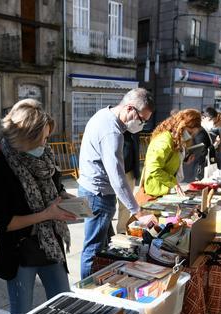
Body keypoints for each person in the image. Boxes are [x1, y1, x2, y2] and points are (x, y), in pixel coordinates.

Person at [0, 99, 77, 314]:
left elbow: (57, 187)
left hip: (51, 243)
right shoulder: (1, 165)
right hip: (20, 249)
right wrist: (46, 214)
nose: (45, 145)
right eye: (41, 139)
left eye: (47, 138)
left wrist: (66, 199)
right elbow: (3, 223)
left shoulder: (46, 157)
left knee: (65, 306)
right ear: (25, 137)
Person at [77, 88, 154, 278]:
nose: (141, 125)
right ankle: (87, 290)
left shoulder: (103, 114)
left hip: (91, 189)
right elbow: (117, 178)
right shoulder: (113, 132)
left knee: (104, 244)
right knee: (93, 249)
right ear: (129, 108)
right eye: (141, 119)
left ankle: (101, 281)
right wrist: (138, 212)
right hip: (99, 194)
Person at [141, 109, 203, 198]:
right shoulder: (165, 140)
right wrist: (173, 183)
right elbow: (154, 168)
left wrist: (184, 161)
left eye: (192, 134)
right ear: (181, 126)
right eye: (189, 132)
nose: (189, 136)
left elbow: (169, 160)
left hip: (165, 188)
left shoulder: (176, 138)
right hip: (156, 190)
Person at [115, 129, 141, 234]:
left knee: (125, 205)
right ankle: (107, 235)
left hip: (129, 172)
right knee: (110, 205)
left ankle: (122, 230)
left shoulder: (134, 131)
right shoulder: (114, 129)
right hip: (115, 172)